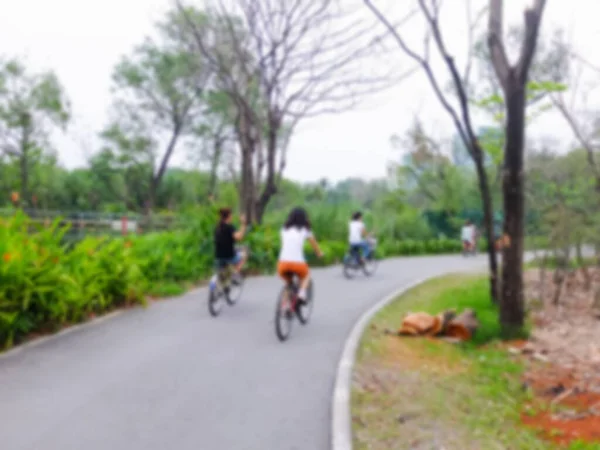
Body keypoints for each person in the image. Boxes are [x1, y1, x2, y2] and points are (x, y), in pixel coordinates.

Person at [277, 207, 323, 303]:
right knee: (306, 276)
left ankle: (285, 307)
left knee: (288, 284)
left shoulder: (284, 229)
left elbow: (286, 245)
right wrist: (319, 254)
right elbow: (314, 245)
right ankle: (302, 293)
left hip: (282, 264)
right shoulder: (305, 230)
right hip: (298, 264)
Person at [214, 207, 247, 284]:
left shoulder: (217, 227)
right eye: (231, 215)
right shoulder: (229, 227)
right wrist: (243, 224)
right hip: (229, 256)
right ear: (228, 216)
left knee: (222, 275)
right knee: (245, 253)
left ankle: (225, 279)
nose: (232, 216)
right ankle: (235, 274)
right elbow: (239, 237)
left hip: (218, 256)